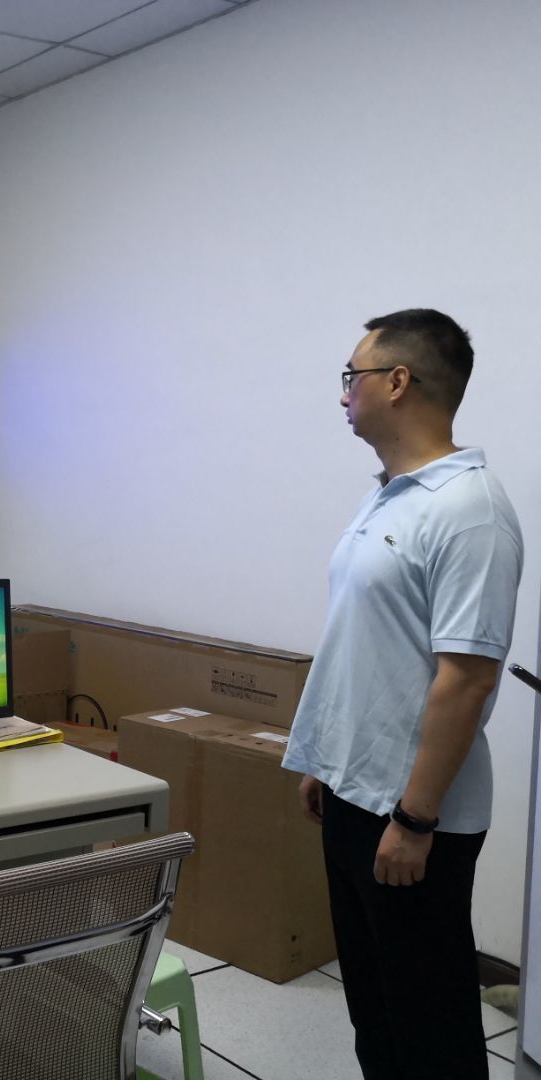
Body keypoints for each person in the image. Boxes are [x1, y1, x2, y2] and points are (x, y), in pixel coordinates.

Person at [282, 308, 523, 1079]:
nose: (342, 394)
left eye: (350, 377)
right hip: (355, 793)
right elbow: (366, 644)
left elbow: (468, 678)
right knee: (376, 1011)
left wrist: (415, 820)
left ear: (397, 381)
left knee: (430, 1025)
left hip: (416, 815)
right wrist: (326, 759)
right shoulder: (391, 495)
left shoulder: (470, 511)